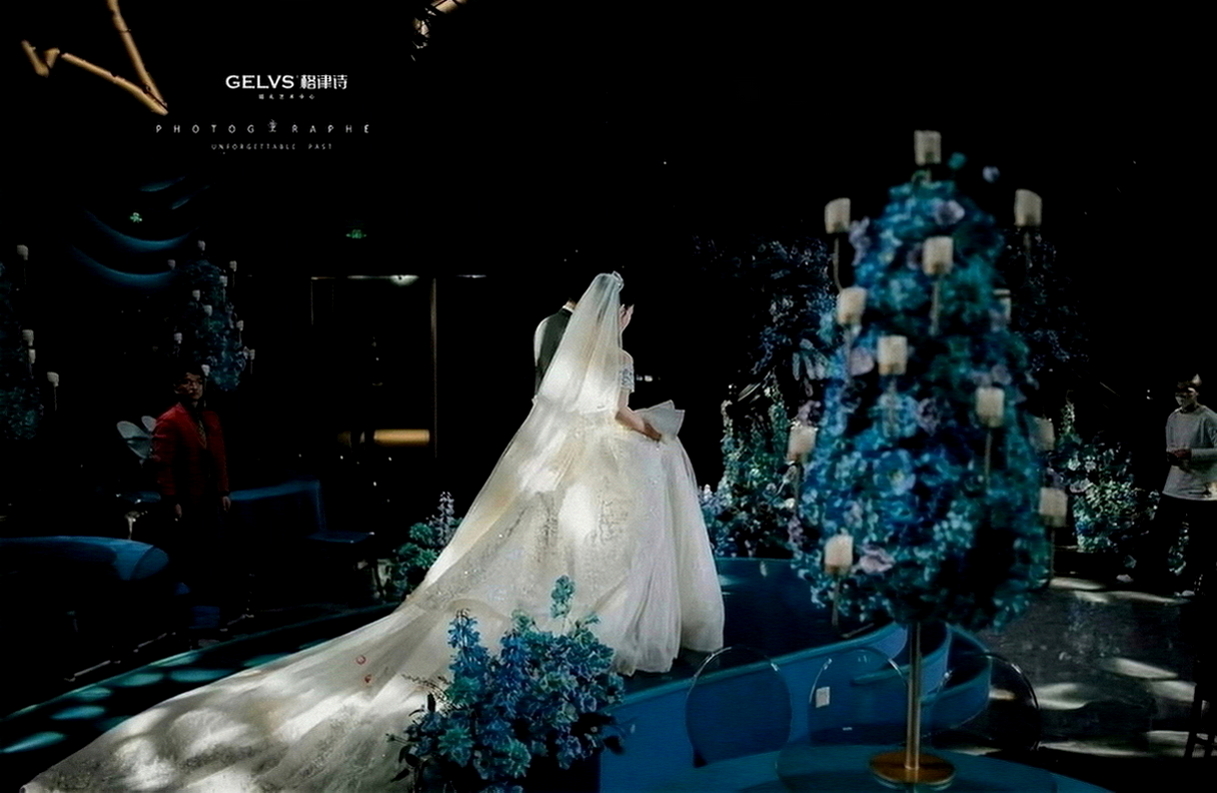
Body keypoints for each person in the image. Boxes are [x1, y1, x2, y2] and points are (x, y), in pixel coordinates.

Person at [25, 272, 724, 792]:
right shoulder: (601, 350)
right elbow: (611, 408)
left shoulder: (554, 336)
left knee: (556, 544)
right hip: (599, 455)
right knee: (591, 542)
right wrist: (654, 423)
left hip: (567, 458)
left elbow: (556, 399)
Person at [151, 364, 238, 627]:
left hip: (211, 494)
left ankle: (215, 608)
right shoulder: (170, 419)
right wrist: (171, 498)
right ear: (176, 387)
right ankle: (193, 613)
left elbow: (220, 457)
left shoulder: (210, 417)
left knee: (215, 550)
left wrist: (223, 490)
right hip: (187, 497)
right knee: (191, 553)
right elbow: (163, 464)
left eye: (198, 382)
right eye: (188, 382)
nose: (194, 387)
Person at [1133, 377, 1217, 595]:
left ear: (1197, 393)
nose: (1182, 396)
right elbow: (1170, 444)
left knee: (1200, 538)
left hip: (1202, 488)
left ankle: (1192, 581)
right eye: (1178, 392)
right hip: (1175, 483)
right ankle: (1147, 573)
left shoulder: (1209, 418)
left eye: (1187, 392)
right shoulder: (1173, 416)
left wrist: (1192, 454)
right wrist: (1172, 456)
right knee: (1160, 532)